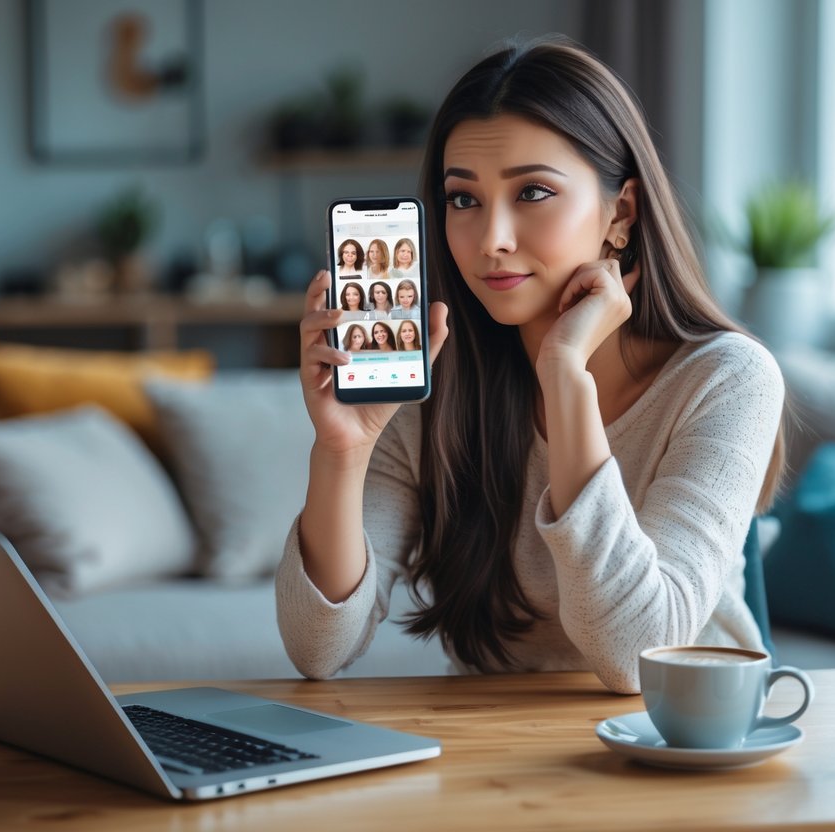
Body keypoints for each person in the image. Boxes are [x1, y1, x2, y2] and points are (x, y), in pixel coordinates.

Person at [280, 36, 786, 695]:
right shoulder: (435, 391)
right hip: (492, 762)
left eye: (533, 193)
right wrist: (341, 451)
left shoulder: (726, 379)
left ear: (620, 214)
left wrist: (564, 374)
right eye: (463, 200)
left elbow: (639, 656)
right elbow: (317, 649)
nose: (490, 239)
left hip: (683, 750)